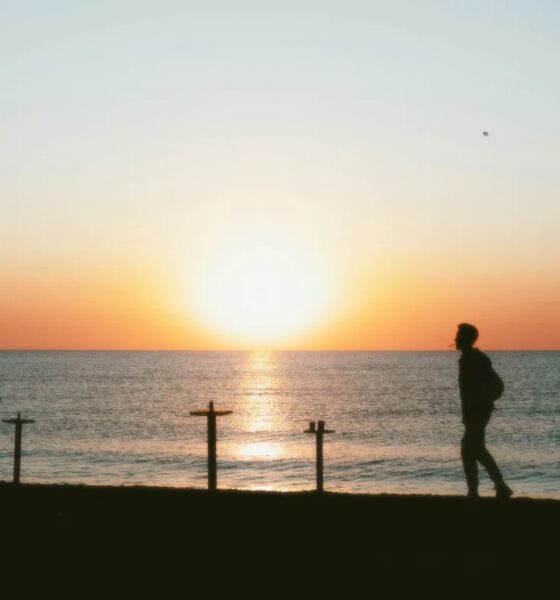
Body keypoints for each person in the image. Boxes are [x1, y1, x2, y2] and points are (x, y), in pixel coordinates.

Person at [455, 323, 513, 499]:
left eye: (459, 336)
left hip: (478, 411)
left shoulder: (475, 359)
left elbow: (472, 390)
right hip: (476, 411)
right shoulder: (469, 359)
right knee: (475, 449)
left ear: (467, 339)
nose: (456, 339)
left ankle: (484, 489)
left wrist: (472, 409)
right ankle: (495, 487)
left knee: (470, 449)